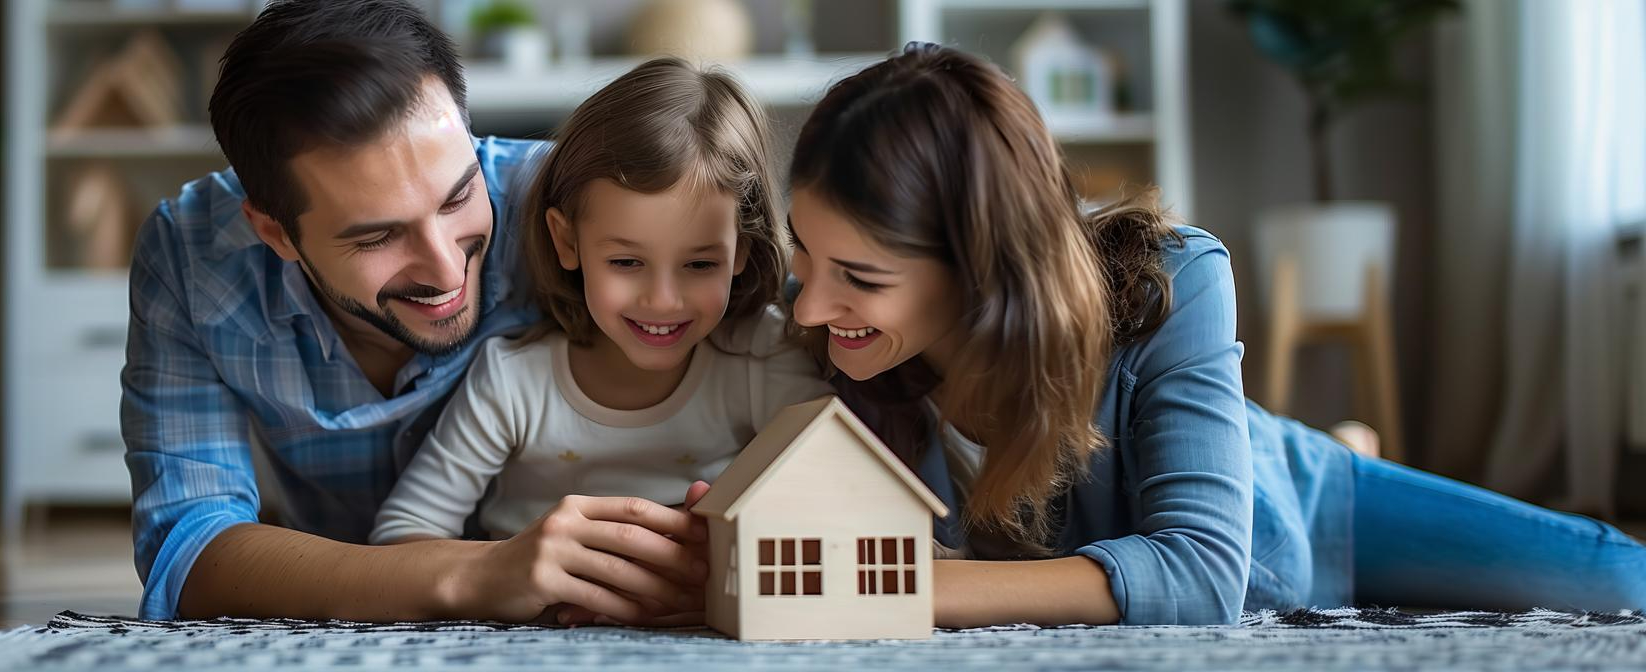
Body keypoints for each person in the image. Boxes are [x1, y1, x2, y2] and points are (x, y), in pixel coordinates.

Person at [737, 42, 1646, 627]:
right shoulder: (834, 333)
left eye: (860, 278)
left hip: (1299, 512)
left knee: (1618, 584)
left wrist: (909, 588)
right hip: (1212, 508)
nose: (810, 308)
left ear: (983, 268)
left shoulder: (1175, 281)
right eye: (807, 257)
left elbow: (1206, 574)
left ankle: (1302, 451)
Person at [123, 0, 705, 622]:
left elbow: (776, 312)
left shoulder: (570, 205)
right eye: (377, 238)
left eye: (459, 197)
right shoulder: (192, 255)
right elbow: (186, 553)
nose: (446, 270)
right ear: (278, 234)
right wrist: (478, 572)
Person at [371, 58, 826, 566]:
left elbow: (841, 500)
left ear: (740, 252)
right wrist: (505, 575)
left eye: (700, 263)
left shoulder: (763, 359)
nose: (662, 300)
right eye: (626, 262)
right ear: (568, 241)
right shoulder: (515, 382)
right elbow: (402, 534)